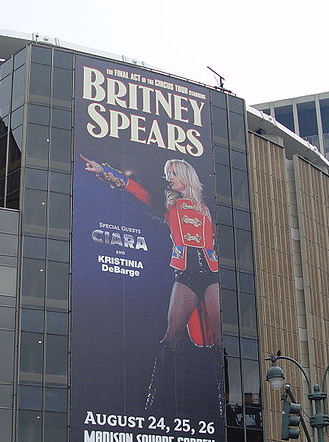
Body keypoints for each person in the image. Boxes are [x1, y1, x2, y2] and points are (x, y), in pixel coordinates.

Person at [80, 155, 222, 407]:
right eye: (168, 175)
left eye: (174, 174)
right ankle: (153, 400)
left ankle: (221, 399)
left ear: (186, 176)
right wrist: (105, 170)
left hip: (211, 274)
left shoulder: (206, 207)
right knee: (170, 337)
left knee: (219, 336)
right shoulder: (170, 205)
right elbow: (138, 191)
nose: (169, 179)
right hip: (185, 274)